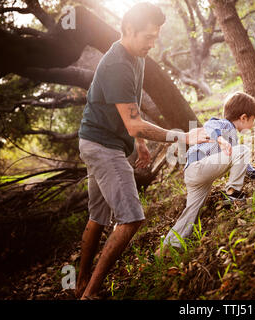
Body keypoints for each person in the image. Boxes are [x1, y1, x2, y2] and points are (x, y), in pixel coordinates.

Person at [75, 2, 210, 299]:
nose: (152, 43)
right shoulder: (116, 65)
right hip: (102, 147)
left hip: (97, 140)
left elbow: (129, 110)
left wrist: (140, 143)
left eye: (155, 37)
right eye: (147, 37)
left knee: (97, 217)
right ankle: (91, 294)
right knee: (132, 218)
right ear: (127, 30)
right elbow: (134, 123)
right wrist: (182, 136)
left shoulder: (137, 55)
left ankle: (80, 284)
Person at [156, 92, 255, 256]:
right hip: (199, 167)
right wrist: (220, 139)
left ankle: (166, 249)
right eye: (253, 119)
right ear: (243, 117)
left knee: (191, 210)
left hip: (193, 173)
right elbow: (211, 128)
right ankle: (233, 192)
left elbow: (241, 161)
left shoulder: (230, 137)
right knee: (242, 150)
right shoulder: (223, 125)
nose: (253, 123)